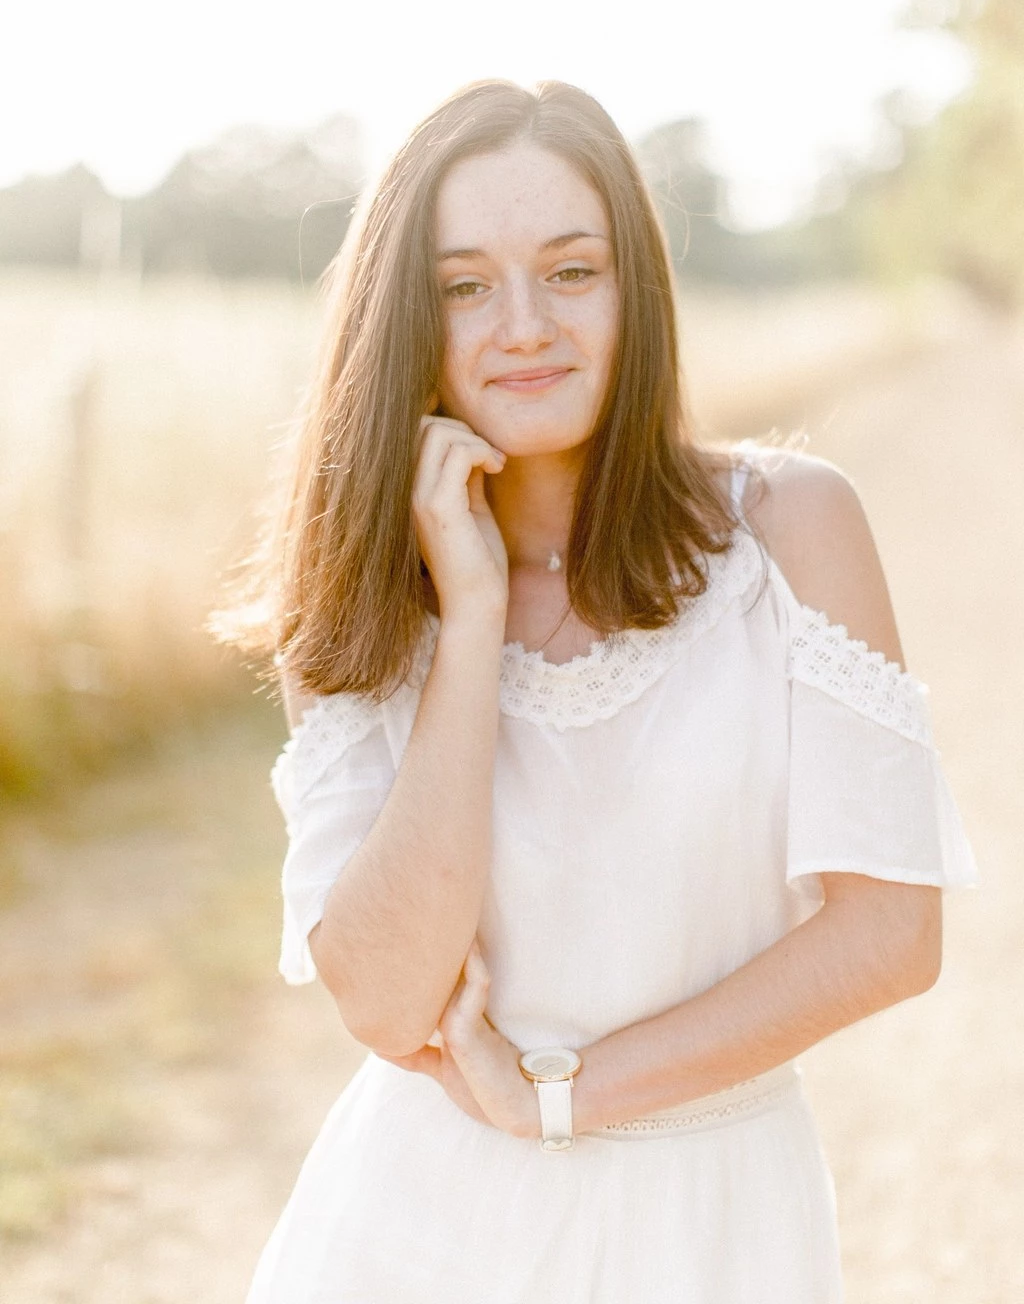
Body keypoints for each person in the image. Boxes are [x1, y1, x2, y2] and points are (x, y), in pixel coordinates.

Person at [211, 78, 979, 1302]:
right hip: (419, 1227)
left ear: (637, 294)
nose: (523, 325)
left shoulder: (787, 531)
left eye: (571, 271)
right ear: (407, 319)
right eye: (464, 286)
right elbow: (386, 995)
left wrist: (563, 1097)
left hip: (712, 1218)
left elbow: (891, 932)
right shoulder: (361, 593)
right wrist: (466, 623)